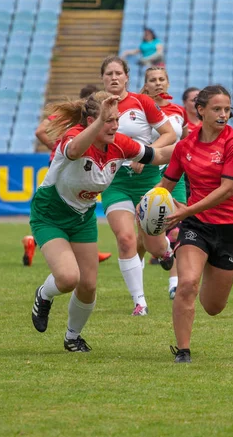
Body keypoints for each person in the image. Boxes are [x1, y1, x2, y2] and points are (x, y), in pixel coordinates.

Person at [29, 92, 175, 352]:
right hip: (50, 213)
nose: (116, 126)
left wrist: (193, 145)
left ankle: (72, 337)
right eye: (109, 120)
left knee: (89, 286)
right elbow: (74, 151)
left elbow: (159, 155)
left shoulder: (120, 143)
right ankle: (44, 294)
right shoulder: (73, 137)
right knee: (67, 278)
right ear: (89, 121)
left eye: (117, 119)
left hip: (82, 217)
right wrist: (97, 123)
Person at [157, 85, 233, 363]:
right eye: (217, 109)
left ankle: (210, 263)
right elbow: (166, 185)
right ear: (201, 110)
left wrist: (186, 210)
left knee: (213, 307)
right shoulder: (185, 145)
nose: (223, 115)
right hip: (196, 226)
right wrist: (148, 201)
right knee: (186, 284)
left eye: (227, 110)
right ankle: (183, 350)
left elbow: (226, 190)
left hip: (230, 227)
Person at [99, 55, 176, 316]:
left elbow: (170, 134)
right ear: (102, 79)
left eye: (118, 73)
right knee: (125, 238)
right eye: (108, 74)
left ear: (127, 77)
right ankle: (139, 302)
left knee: (153, 245)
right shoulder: (96, 106)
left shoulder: (142, 102)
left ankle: (166, 252)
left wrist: (146, 153)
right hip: (114, 181)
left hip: (148, 179)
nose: (113, 78)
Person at [29, 84, 112, 265]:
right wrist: (55, 147)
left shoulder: (73, 117)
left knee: (77, 202)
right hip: (68, 160)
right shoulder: (80, 119)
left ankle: (84, 250)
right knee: (70, 201)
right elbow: (40, 131)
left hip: (70, 159)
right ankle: (79, 251)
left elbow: (41, 130)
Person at [139, 67, 189, 299]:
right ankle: (138, 285)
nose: (158, 83)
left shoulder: (179, 111)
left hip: (173, 175)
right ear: (146, 84)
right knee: (142, 234)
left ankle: (174, 283)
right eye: (152, 80)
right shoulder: (139, 108)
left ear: (168, 83)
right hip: (145, 174)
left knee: (177, 227)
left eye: (162, 79)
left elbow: (185, 139)